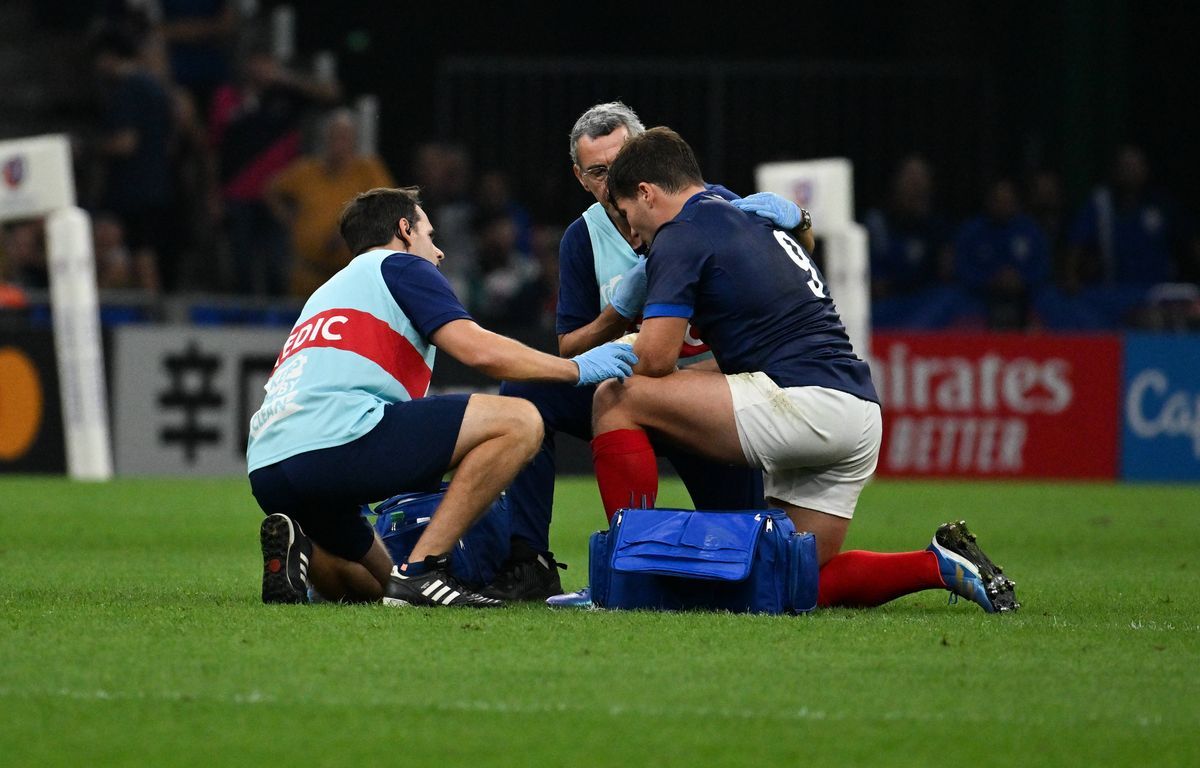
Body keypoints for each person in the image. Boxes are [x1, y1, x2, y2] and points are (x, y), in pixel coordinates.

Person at [588, 127, 1018, 613]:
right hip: (858, 413)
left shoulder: (680, 233)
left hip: (801, 401)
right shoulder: (747, 217)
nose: (630, 234)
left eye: (626, 216)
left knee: (616, 397)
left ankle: (624, 577)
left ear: (645, 193)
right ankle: (937, 565)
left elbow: (656, 361)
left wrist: (608, 348)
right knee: (789, 581)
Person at [247, 186, 637, 608]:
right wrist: (577, 369)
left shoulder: (324, 293)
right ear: (403, 229)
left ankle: (301, 550)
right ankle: (423, 568)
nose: (439, 252)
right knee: (520, 421)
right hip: (336, 442)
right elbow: (479, 352)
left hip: (267, 464)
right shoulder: (400, 265)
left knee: (381, 588)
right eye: (430, 236)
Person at [488, 102, 810, 602]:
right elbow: (569, 345)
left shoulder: (710, 206)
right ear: (579, 177)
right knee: (525, 392)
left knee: (747, 561)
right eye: (597, 171)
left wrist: (802, 222)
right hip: (627, 389)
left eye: (621, 163)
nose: (611, 179)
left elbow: (790, 271)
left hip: (707, 398)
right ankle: (529, 559)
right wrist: (617, 315)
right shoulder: (582, 238)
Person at [266, 108, 396, 298]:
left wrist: (351, 229)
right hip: (308, 278)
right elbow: (271, 189)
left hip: (351, 281)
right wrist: (289, 219)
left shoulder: (367, 170)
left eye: (344, 137)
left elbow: (389, 204)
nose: (338, 144)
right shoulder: (307, 171)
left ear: (354, 141)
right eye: (334, 137)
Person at [953, 177, 1051, 330]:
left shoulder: (1031, 231)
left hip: (1026, 297)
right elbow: (961, 268)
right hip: (980, 299)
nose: (1003, 205)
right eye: (998, 200)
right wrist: (989, 281)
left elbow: (1043, 267)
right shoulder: (971, 231)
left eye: (1008, 200)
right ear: (989, 201)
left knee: (1049, 303)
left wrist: (1022, 280)